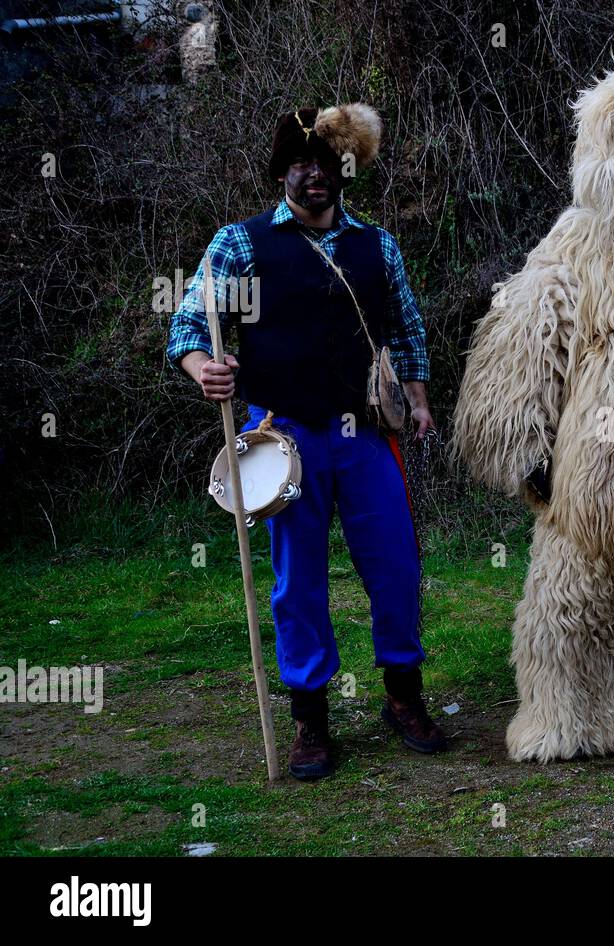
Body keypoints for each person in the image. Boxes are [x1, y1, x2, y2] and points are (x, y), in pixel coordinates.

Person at [166, 103, 447, 780]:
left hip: (365, 435)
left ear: (342, 171)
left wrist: (416, 399)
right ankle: (310, 723)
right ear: (280, 171)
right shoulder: (242, 244)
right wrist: (207, 369)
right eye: (298, 164)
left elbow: (406, 330)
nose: (312, 175)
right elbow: (188, 326)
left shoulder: (376, 247)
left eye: (323, 164)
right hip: (281, 435)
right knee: (299, 582)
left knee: (396, 567)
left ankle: (403, 699)